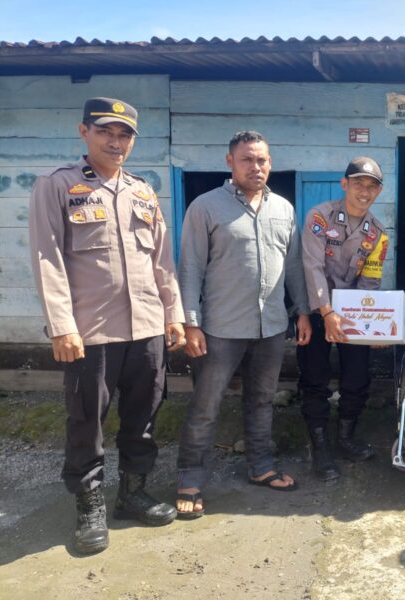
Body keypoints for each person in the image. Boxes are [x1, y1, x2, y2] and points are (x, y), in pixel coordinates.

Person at [28, 97, 185, 554]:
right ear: (84, 132)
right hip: (90, 331)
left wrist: (173, 315)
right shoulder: (59, 186)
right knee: (86, 422)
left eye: (125, 135)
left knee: (144, 418)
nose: (116, 142)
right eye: (106, 132)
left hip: (147, 328)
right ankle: (89, 505)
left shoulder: (143, 191)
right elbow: (47, 257)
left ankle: (132, 494)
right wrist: (61, 324)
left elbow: (162, 260)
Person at [175, 131, 311, 518]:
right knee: (205, 406)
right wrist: (191, 323)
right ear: (230, 161)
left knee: (262, 400)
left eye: (263, 160)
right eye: (248, 159)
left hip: (270, 327)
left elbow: (295, 265)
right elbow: (190, 269)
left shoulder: (283, 209)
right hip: (220, 328)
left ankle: (261, 466)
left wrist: (302, 310)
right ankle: (190, 479)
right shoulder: (206, 207)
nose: (256, 167)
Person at [300, 156, 389, 480]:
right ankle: (320, 448)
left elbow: (370, 283)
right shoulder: (319, 217)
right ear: (344, 184)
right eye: (358, 184)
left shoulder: (378, 234)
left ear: (378, 192)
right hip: (315, 308)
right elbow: (310, 267)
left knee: (357, 377)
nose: (364, 192)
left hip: (352, 313)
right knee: (315, 378)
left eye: (371, 186)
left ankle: (345, 439)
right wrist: (327, 313)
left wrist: (374, 327)